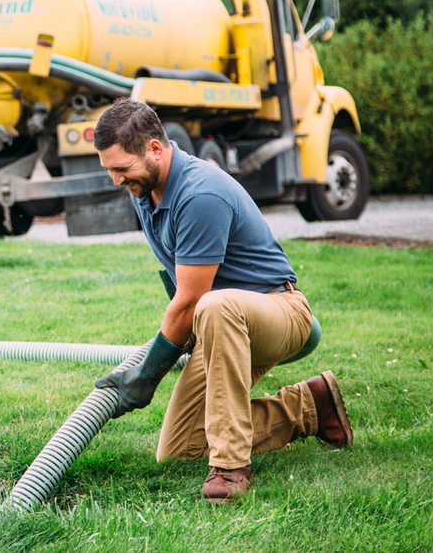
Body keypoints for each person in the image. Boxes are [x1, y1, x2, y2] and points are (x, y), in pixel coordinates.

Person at [92, 98, 353, 504]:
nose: (115, 180)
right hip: (220, 324)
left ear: (155, 150)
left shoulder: (200, 194)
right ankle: (310, 406)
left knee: (214, 307)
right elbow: (182, 286)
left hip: (277, 311)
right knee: (180, 448)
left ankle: (231, 467)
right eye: (109, 169)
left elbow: (194, 299)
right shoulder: (144, 189)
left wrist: (150, 373)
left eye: (121, 169)